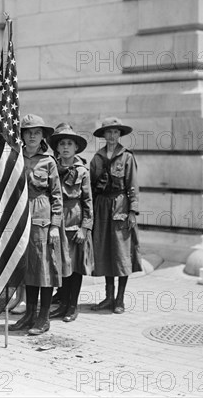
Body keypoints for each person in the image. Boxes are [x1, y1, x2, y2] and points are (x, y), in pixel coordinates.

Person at [9, 114, 64, 336]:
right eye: (28, 132)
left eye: (37, 132)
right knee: (28, 269)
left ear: (42, 136)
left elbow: (57, 196)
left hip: (42, 218)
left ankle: (43, 317)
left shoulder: (48, 161)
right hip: (21, 218)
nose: (32, 136)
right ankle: (29, 314)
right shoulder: (15, 158)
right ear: (21, 135)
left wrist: (54, 226)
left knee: (44, 269)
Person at [90, 117, 142, 314]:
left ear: (120, 134)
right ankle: (108, 297)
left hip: (120, 206)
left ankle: (119, 299)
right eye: (108, 132)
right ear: (103, 135)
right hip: (102, 207)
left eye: (115, 132)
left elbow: (133, 185)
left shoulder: (127, 157)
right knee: (105, 251)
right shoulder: (97, 158)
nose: (112, 136)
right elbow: (92, 187)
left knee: (121, 254)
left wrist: (132, 211)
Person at [48, 123, 94, 322]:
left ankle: (72, 307)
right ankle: (63, 303)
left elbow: (88, 201)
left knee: (74, 267)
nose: (66, 147)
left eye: (70, 144)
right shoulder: (51, 166)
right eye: (62, 144)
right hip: (56, 221)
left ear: (76, 148)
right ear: (57, 148)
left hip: (74, 222)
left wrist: (85, 227)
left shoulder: (82, 171)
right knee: (60, 265)